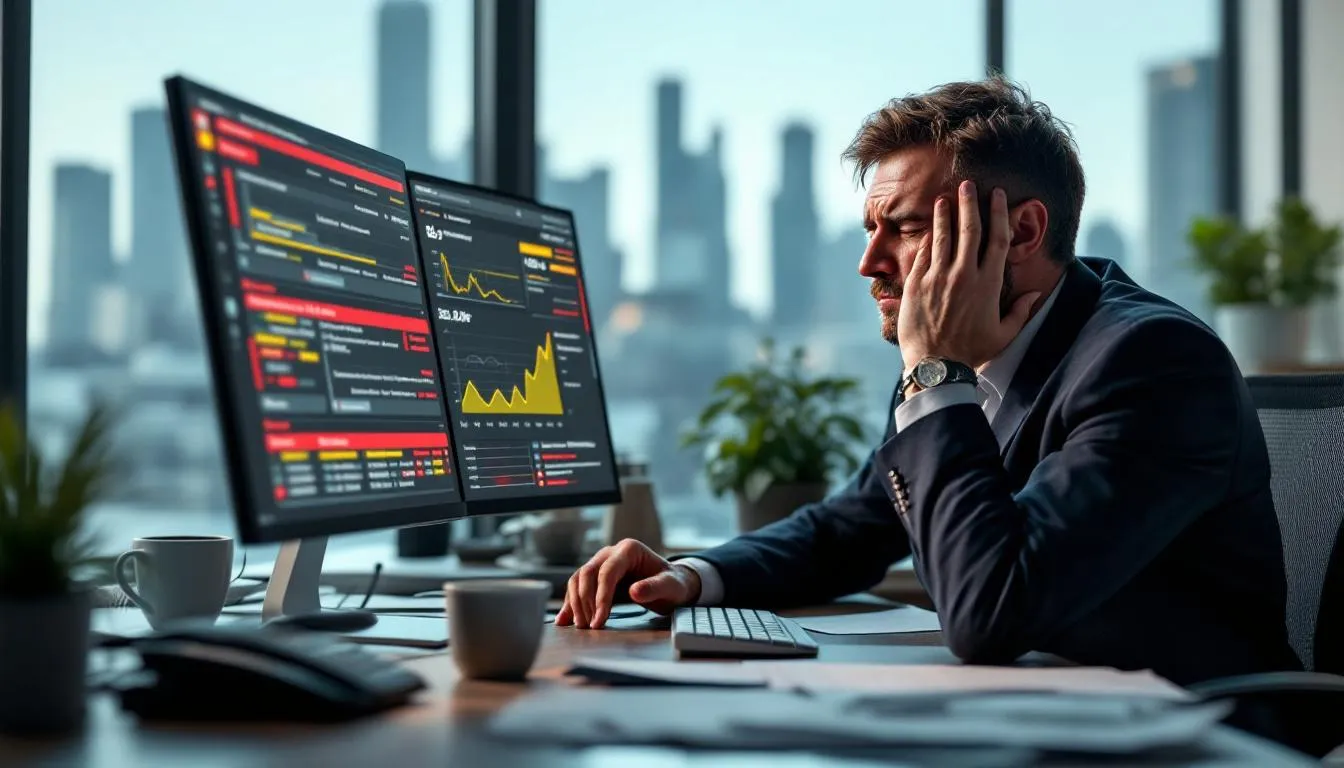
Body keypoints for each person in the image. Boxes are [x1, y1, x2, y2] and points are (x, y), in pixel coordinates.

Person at [557, 76, 1300, 689]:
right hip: (1041, 705)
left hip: (1197, 735)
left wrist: (934, 373)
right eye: (868, 230)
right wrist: (693, 575)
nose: (869, 262)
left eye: (904, 229)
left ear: (1024, 232)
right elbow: (847, 528)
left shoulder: (1152, 362)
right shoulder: (958, 359)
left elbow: (991, 614)